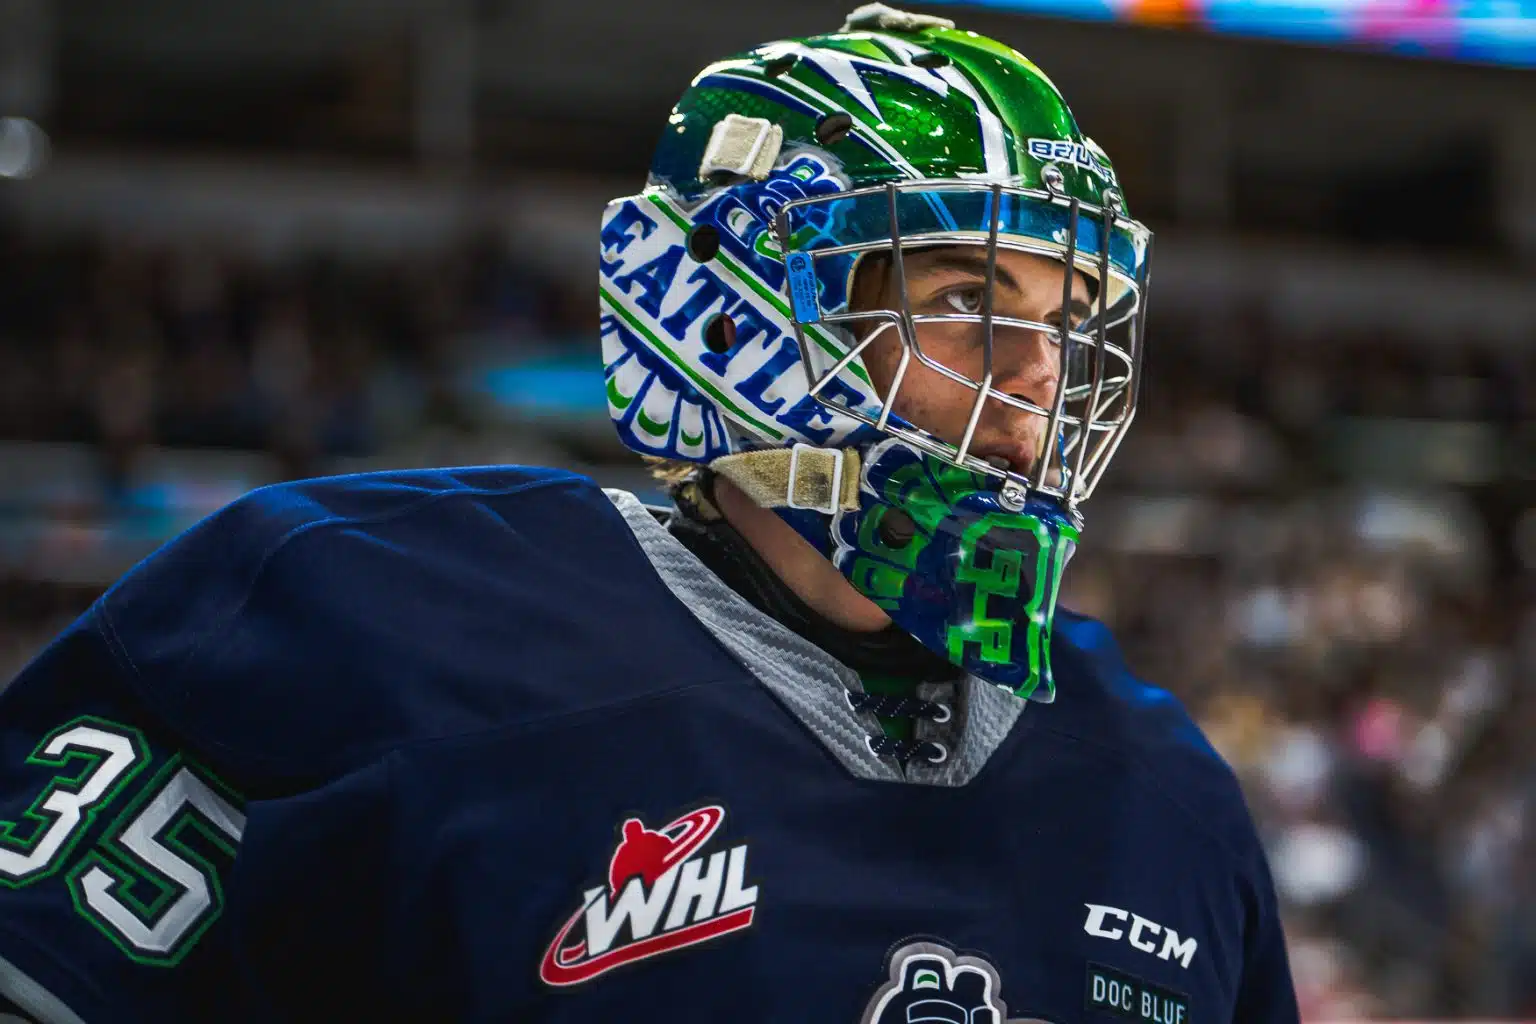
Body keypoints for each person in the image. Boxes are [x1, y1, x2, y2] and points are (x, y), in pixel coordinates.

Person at [0, 5, 1298, 1021]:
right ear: (744, 310)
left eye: (1069, 319)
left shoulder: (1167, 789)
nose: (1039, 374)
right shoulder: (354, 616)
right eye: (967, 299)